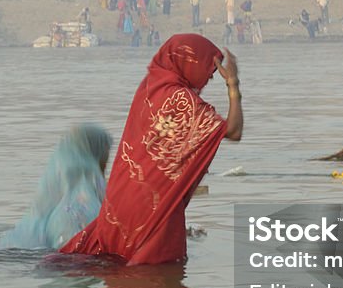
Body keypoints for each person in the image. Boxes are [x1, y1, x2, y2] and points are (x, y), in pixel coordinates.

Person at [60, 34, 242, 265]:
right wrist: (233, 85)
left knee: (116, 271)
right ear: (190, 63)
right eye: (210, 70)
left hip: (121, 199)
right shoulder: (182, 100)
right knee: (155, 277)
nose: (208, 77)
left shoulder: (151, 87)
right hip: (155, 207)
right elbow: (234, 131)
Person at [0, 124, 112, 249]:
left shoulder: (48, 204)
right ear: (96, 152)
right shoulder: (84, 203)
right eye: (106, 152)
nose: (107, 160)